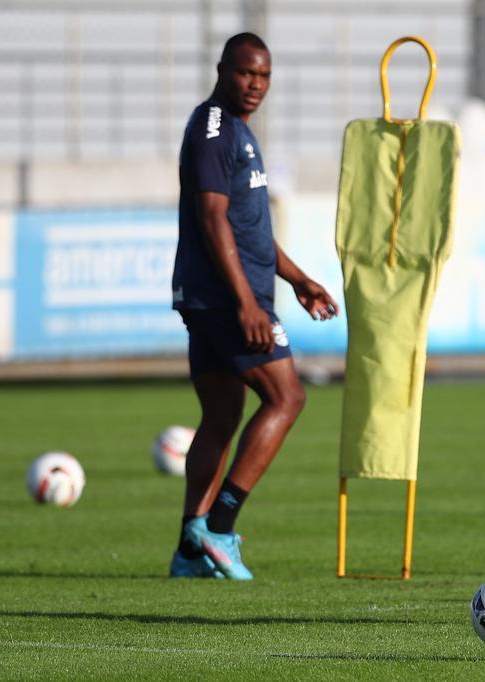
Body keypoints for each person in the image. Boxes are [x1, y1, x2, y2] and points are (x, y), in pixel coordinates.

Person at [169, 32, 340, 580]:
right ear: (222, 69)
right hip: (226, 299)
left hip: (216, 296)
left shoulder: (237, 131)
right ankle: (219, 526)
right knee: (287, 398)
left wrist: (298, 280)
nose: (256, 85)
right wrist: (247, 302)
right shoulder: (215, 131)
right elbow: (213, 219)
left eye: (264, 76)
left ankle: (190, 552)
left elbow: (249, 228)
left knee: (220, 419)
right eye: (246, 73)